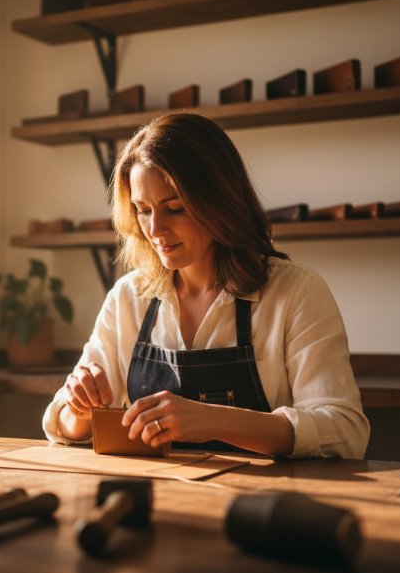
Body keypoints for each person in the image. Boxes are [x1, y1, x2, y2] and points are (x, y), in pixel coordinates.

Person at [41, 113, 369, 458]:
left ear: (220, 202)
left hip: (264, 492)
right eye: (143, 210)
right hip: (159, 488)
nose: (155, 229)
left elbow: (345, 432)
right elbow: (62, 426)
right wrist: (79, 409)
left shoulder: (296, 292)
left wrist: (214, 420)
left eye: (175, 209)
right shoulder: (128, 297)